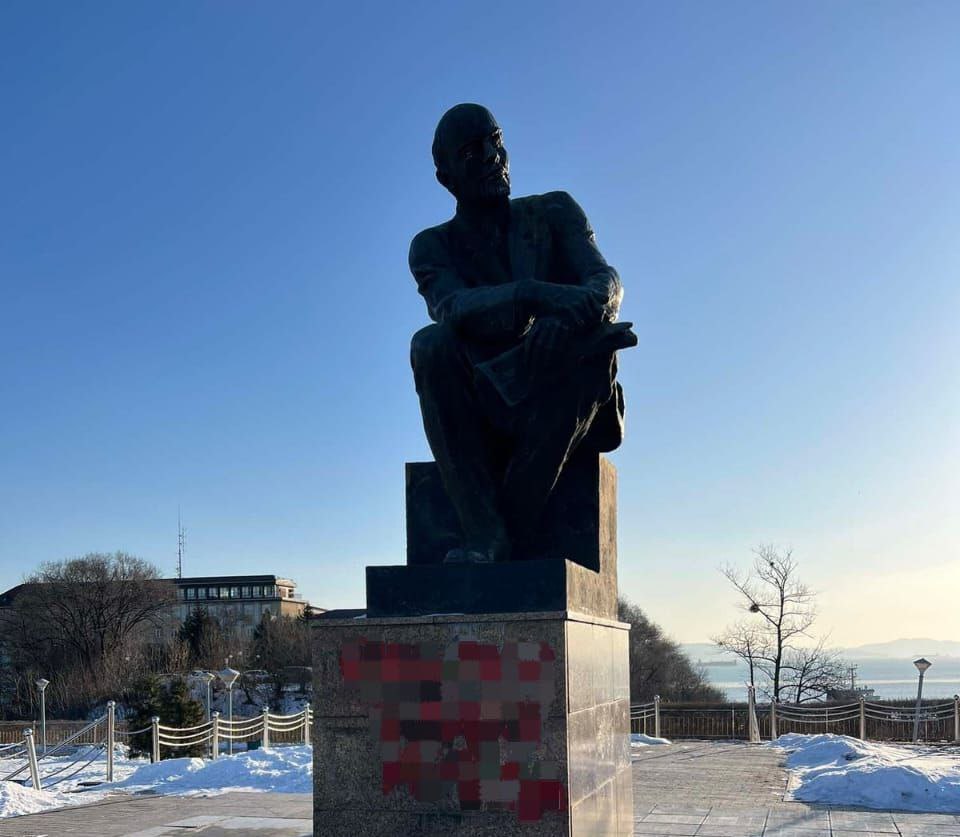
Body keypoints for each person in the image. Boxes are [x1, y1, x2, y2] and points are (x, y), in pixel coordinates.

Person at [409, 103, 636, 563]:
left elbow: (605, 281)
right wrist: (533, 296)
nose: (492, 156)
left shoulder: (555, 211)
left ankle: (505, 536)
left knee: (587, 352)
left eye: (495, 140)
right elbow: (452, 308)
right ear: (446, 177)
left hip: (564, 387)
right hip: (486, 397)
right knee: (430, 345)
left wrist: (564, 321)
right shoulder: (433, 246)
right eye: (471, 152)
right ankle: (486, 534)